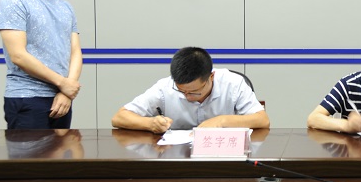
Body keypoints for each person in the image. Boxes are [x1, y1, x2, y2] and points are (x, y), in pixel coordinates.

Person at [0, 0, 82, 129]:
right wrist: (63, 83)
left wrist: (66, 90)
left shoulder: (65, 6)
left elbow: (75, 51)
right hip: (27, 98)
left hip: (62, 98)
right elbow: (18, 56)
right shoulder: (14, 1)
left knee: (61, 151)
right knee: (30, 151)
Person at [112, 47, 269, 133]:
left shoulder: (233, 83)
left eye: (194, 92)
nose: (187, 97)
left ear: (211, 77)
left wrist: (221, 121)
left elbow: (262, 120)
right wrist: (150, 123)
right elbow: (119, 117)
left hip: (223, 155)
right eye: (181, 91)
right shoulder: (165, 87)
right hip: (178, 157)